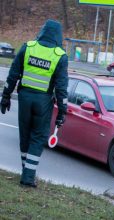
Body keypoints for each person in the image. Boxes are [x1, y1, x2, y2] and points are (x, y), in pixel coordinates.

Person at [0, 19, 68, 187]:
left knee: (25, 135)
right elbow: (61, 88)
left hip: (24, 98)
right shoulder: (60, 56)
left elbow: (13, 75)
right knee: (38, 137)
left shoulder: (28, 47)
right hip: (43, 102)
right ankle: (28, 177)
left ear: (42, 31)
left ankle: (26, 171)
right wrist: (62, 112)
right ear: (58, 36)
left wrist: (5, 96)